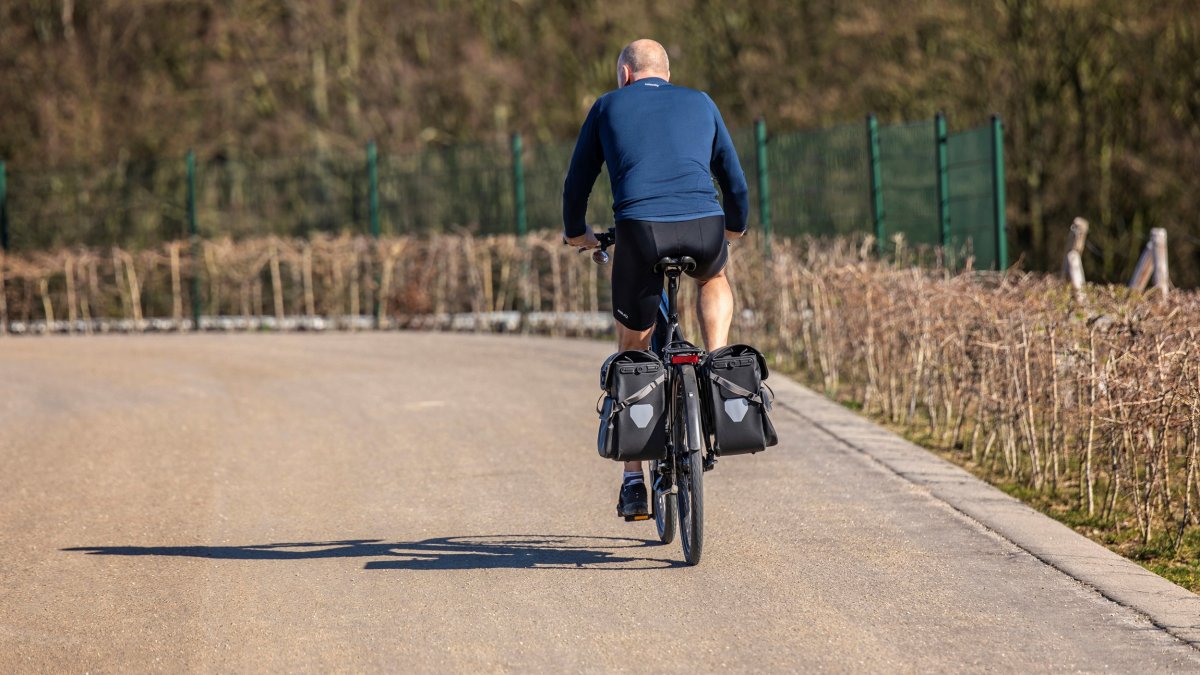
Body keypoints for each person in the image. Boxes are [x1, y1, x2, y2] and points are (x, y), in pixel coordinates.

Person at [562, 38, 749, 518]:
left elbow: (577, 182)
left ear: (625, 74)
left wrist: (578, 235)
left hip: (640, 232)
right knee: (714, 278)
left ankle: (632, 478)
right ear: (666, 72)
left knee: (634, 350)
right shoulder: (701, 102)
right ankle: (718, 358)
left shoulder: (607, 106)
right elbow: (734, 179)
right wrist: (734, 226)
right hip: (705, 226)